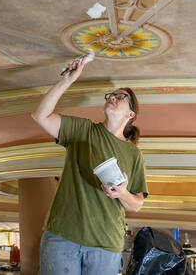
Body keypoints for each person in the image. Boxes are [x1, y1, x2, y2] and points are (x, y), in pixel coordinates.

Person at [31, 56, 149, 275]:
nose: (112, 97)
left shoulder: (133, 154)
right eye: (111, 95)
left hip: (105, 243)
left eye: (120, 96)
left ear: (130, 114)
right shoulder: (83, 130)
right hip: (62, 236)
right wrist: (68, 79)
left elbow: (136, 205)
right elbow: (40, 116)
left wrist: (122, 193)